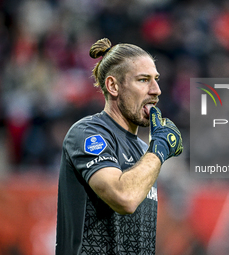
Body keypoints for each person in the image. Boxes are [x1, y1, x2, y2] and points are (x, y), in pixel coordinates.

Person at [55, 38, 183, 254]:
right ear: (113, 86)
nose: (156, 90)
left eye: (156, 80)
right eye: (143, 80)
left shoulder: (145, 151)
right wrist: (159, 149)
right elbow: (124, 198)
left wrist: (154, 151)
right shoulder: (88, 133)